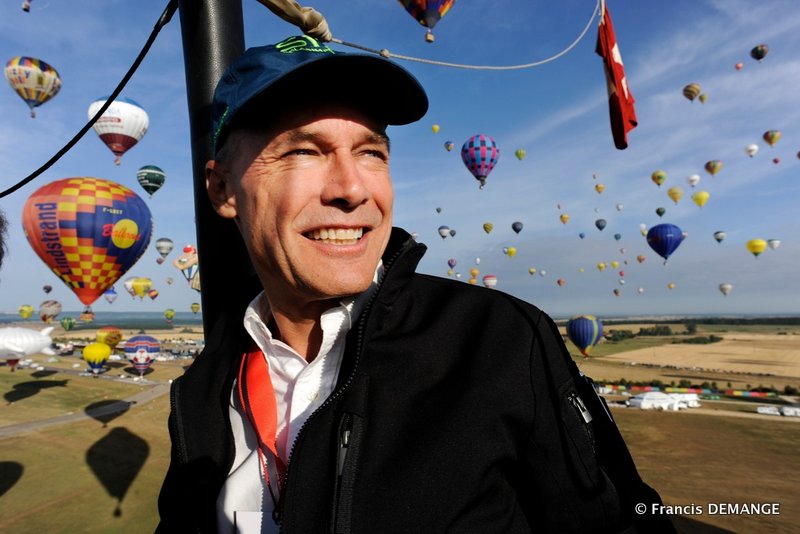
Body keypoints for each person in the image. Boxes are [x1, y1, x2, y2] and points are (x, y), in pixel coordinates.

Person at [157, 35, 673, 533]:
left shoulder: (496, 342)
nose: (353, 189)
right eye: (304, 152)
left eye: (371, 153)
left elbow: (616, 521)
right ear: (223, 189)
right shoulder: (203, 389)